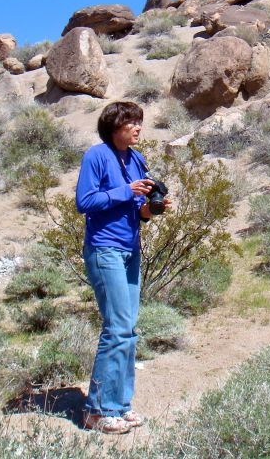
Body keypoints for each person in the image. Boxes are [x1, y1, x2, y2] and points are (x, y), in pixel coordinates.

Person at [75, 101, 168, 434]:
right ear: (114, 126)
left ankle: (120, 404)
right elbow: (84, 202)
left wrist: (152, 206)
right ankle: (98, 410)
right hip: (105, 249)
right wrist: (125, 191)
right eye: (131, 122)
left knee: (128, 329)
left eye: (140, 122)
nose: (138, 128)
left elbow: (138, 213)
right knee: (116, 327)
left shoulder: (137, 159)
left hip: (129, 248)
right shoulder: (97, 156)